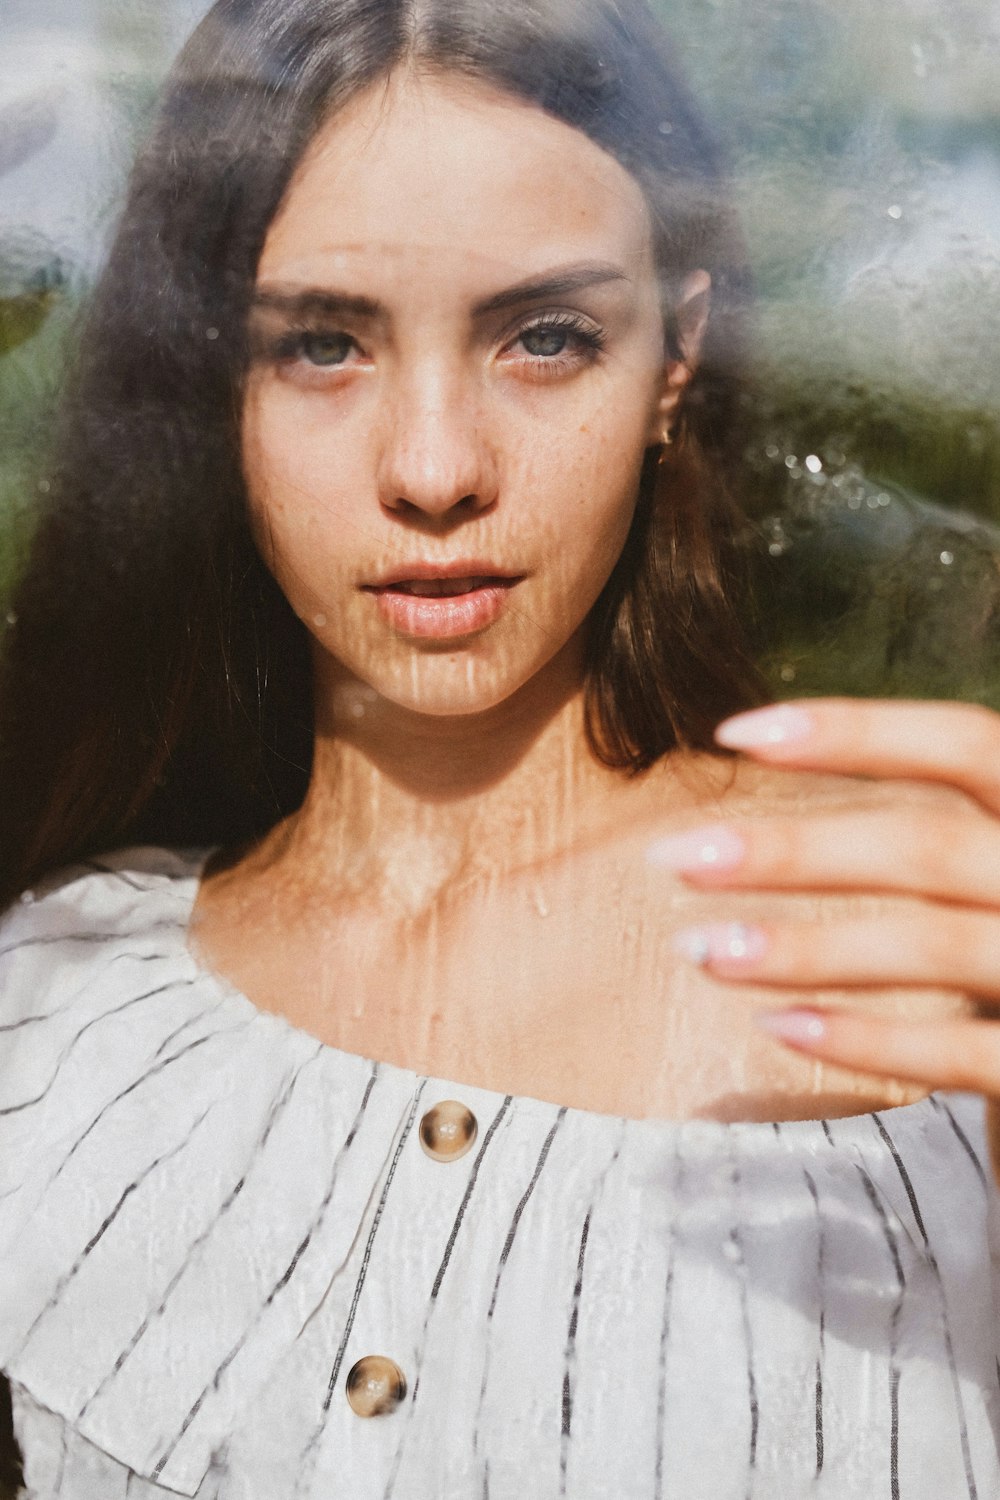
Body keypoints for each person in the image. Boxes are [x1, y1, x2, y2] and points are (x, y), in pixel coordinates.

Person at [2, 0, 1000, 1495]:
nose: (434, 469)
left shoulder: (933, 959)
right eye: (321, 346)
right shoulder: (47, 1010)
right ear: (214, 386)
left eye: (547, 337)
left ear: (679, 359)